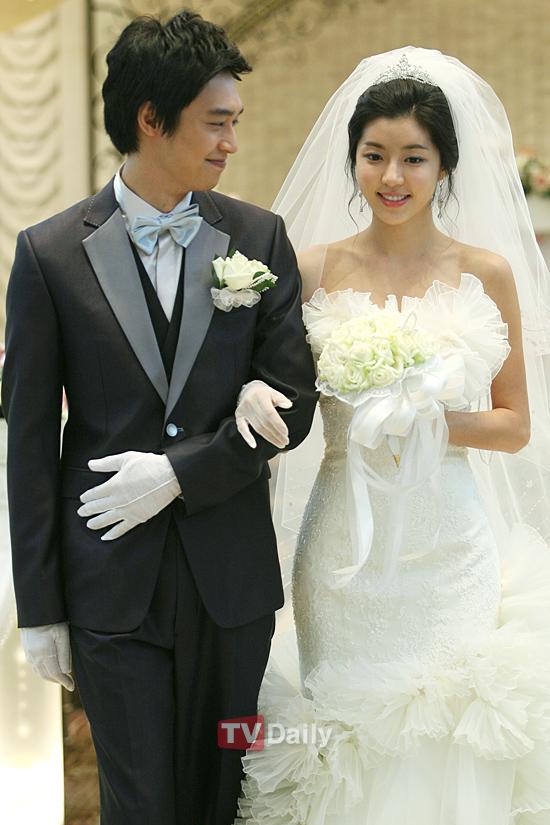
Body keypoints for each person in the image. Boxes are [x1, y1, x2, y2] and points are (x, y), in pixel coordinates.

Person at [1, 10, 317, 825]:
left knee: (227, 800)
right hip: (110, 594)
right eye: (216, 123)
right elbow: (28, 443)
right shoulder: (47, 255)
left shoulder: (259, 238)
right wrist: (40, 606)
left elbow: (294, 404)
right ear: (150, 118)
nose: (231, 143)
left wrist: (179, 474)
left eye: (235, 122)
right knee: (138, 808)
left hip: (233, 593)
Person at [233, 47, 550, 824]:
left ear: (444, 166)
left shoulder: (486, 272)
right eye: (374, 155)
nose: (392, 176)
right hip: (344, 546)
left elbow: (514, 423)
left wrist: (429, 419)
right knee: (346, 737)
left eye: (414, 157)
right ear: (353, 162)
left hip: (448, 550)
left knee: (446, 733)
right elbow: (275, 390)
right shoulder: (313, 269)